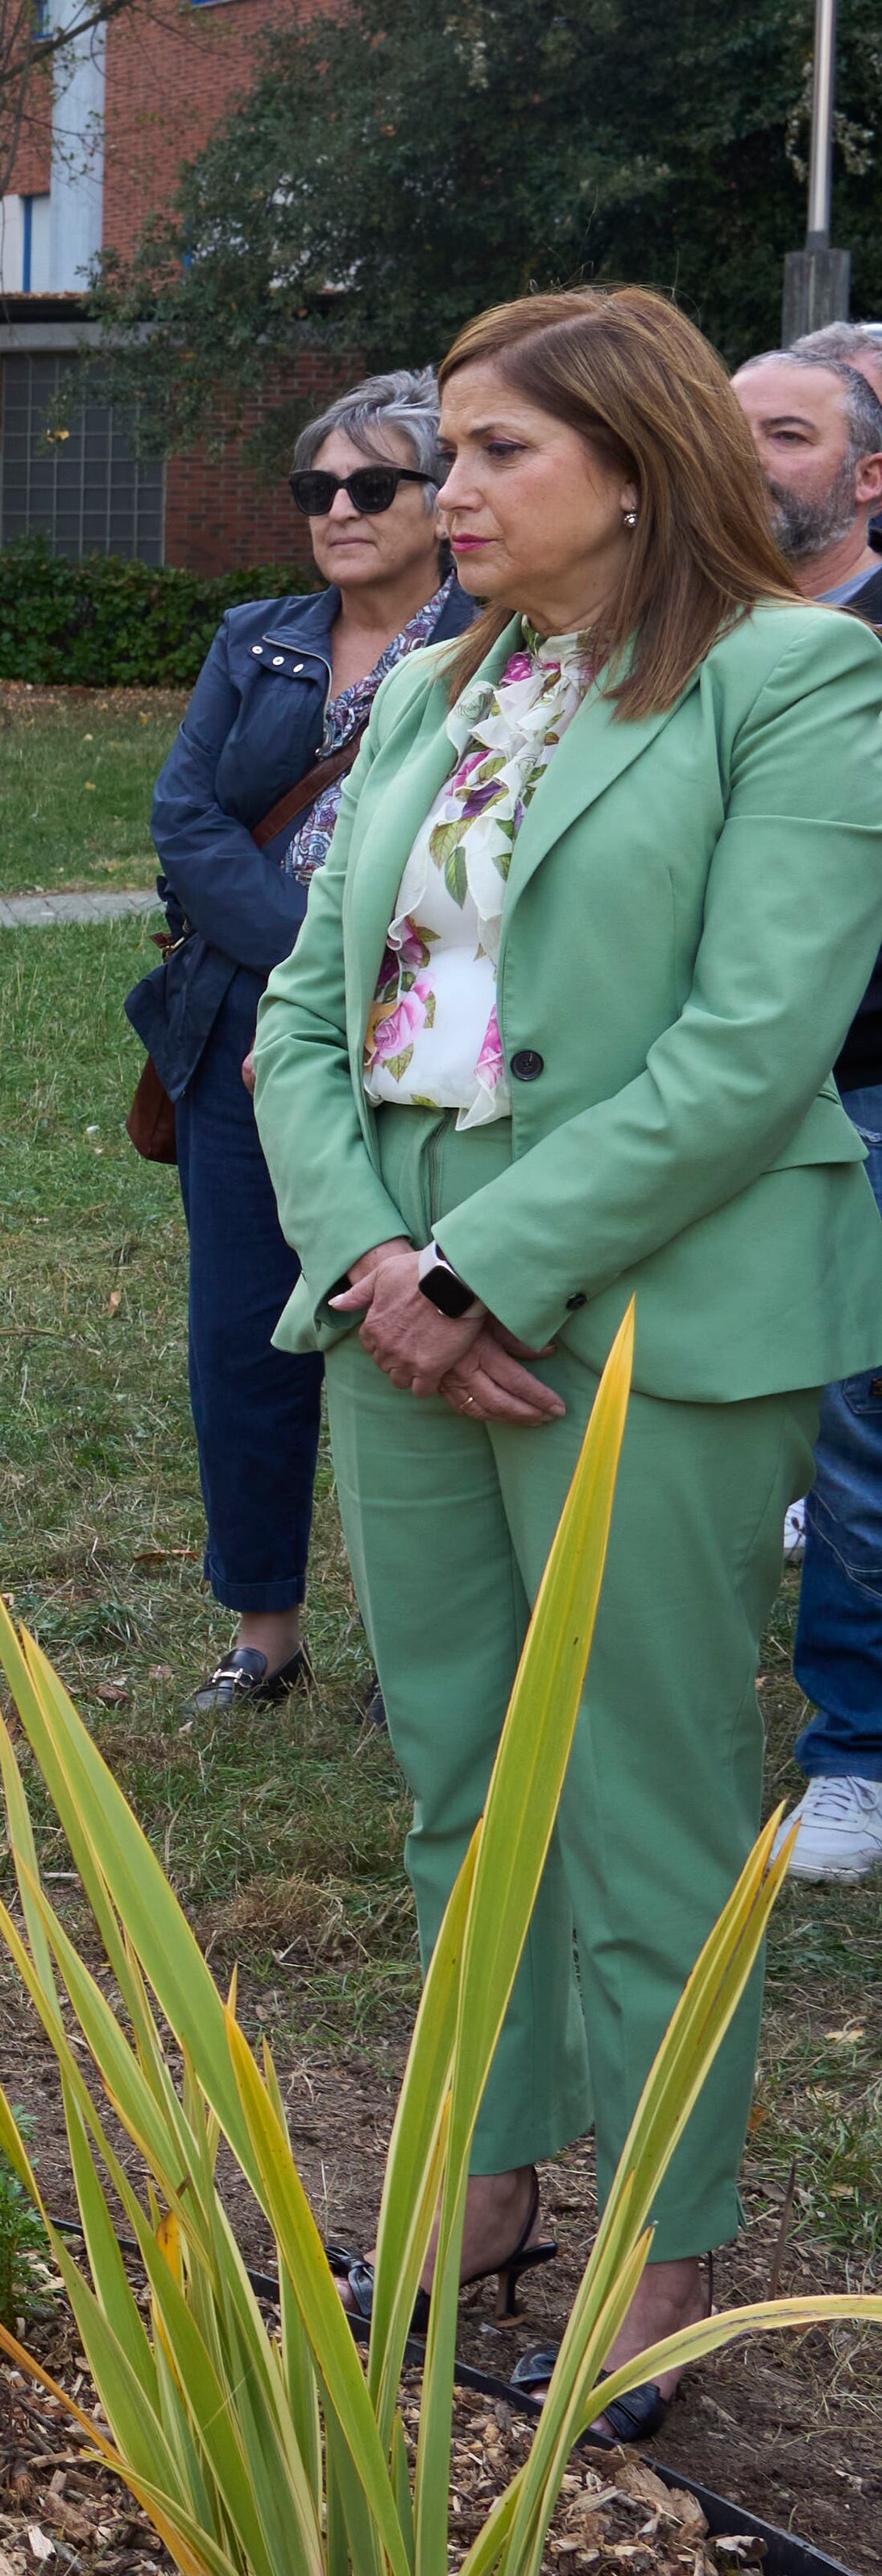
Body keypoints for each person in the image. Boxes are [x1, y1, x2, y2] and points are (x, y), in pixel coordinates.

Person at [255, 286, 882, 2445]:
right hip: (396, 1320)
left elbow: (754, 1041)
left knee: (643, 1796)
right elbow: (303, 1020)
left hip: (653, 1313)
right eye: (452, 448)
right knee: (458, 1772)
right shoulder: (434, 686)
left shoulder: (796, 682)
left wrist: (486, 1264)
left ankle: (667, 2235)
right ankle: (485, 2179)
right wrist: (373, 1264)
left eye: (504, 449)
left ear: (638, 462)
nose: (450, 488)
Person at [141, 370, 477, 1718]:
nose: (337, 510)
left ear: (443, 499)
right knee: (241, 1335)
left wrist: (351, 1001)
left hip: (431, 1050)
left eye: (372, 485)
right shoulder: (258, 640)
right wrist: (309, 980)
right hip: (242, 1039)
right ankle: (265, 1625)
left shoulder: (497, 650)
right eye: (314, 489)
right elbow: (188, 821)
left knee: (431, 1329)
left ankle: (437, 1641)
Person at [736, 339, 882, 1888]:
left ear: (866, 476)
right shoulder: (684, 641)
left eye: (788, 432)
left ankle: (854, 1750)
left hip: (859, 1087)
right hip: (700, 1095)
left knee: (853, 1427)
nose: (752, 459)